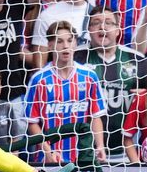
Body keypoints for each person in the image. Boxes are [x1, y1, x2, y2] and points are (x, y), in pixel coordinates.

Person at [25, 21, 107, 164]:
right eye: (59, 41)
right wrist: (47, 151)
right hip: (48, 159)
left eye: (70, 40)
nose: (66, 46)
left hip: (81, 157)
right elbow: (32, 122)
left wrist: (100, 145)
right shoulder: (39, 80)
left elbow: (96, 116)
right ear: (50, 46)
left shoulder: (89, 76)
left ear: (75, 44)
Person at [76, 6, 147, 161]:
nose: (102, 27)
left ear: (117, 30)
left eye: (108, 22)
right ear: (89, 30)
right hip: (85, 152)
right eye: (96, 23)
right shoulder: (76, 58)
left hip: (127, 153)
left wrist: (145, 97)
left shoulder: (137, 60)